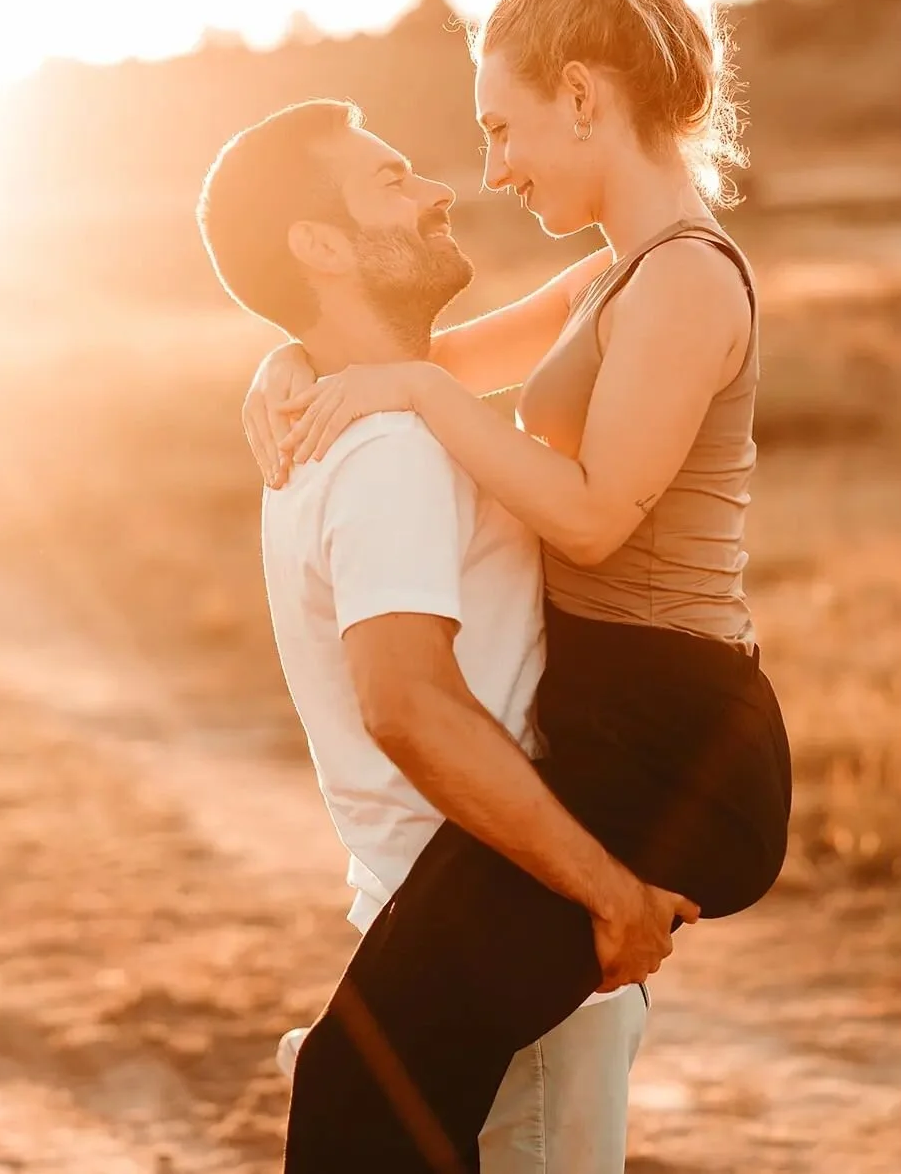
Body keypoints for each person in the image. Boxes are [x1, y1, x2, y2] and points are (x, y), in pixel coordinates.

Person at [241, 0, 793, 1174]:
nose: (491, 166)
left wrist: (418, 389)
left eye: (504, 127)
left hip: (675, 749)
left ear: (585, 98)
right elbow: (399, 347)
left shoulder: (685, 284)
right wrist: (285, 368)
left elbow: (596, 518)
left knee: (357, 1073)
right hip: (609, 731)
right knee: (372, 1072)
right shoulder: (609, 275)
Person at [197, 99, 681, 1172]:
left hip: (438, 913)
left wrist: (290, 355)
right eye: (392, 179)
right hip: (514, 923)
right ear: (319, 244)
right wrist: (608, 890)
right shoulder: (385, 448)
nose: (438, 190)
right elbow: (405, 700)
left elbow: (611, 285)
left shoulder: (345, 407)